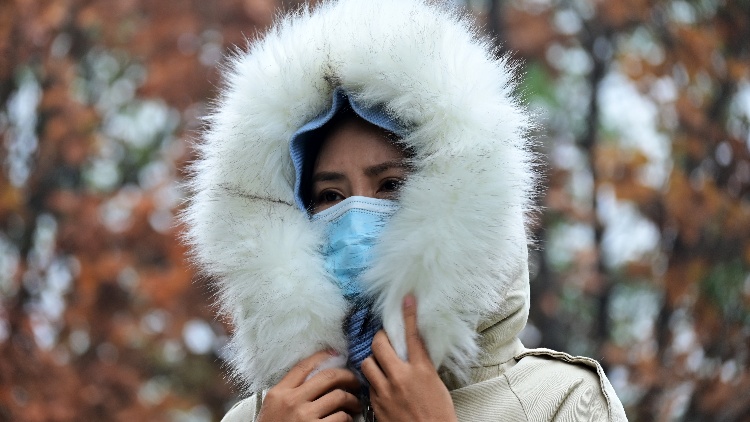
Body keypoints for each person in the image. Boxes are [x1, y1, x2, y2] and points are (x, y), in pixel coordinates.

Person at [182, 0, 629, 421]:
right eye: (329, 196)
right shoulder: (263, 414)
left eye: (390, 185)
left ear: (455, 197)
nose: (356, 214)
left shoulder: (562, 400)